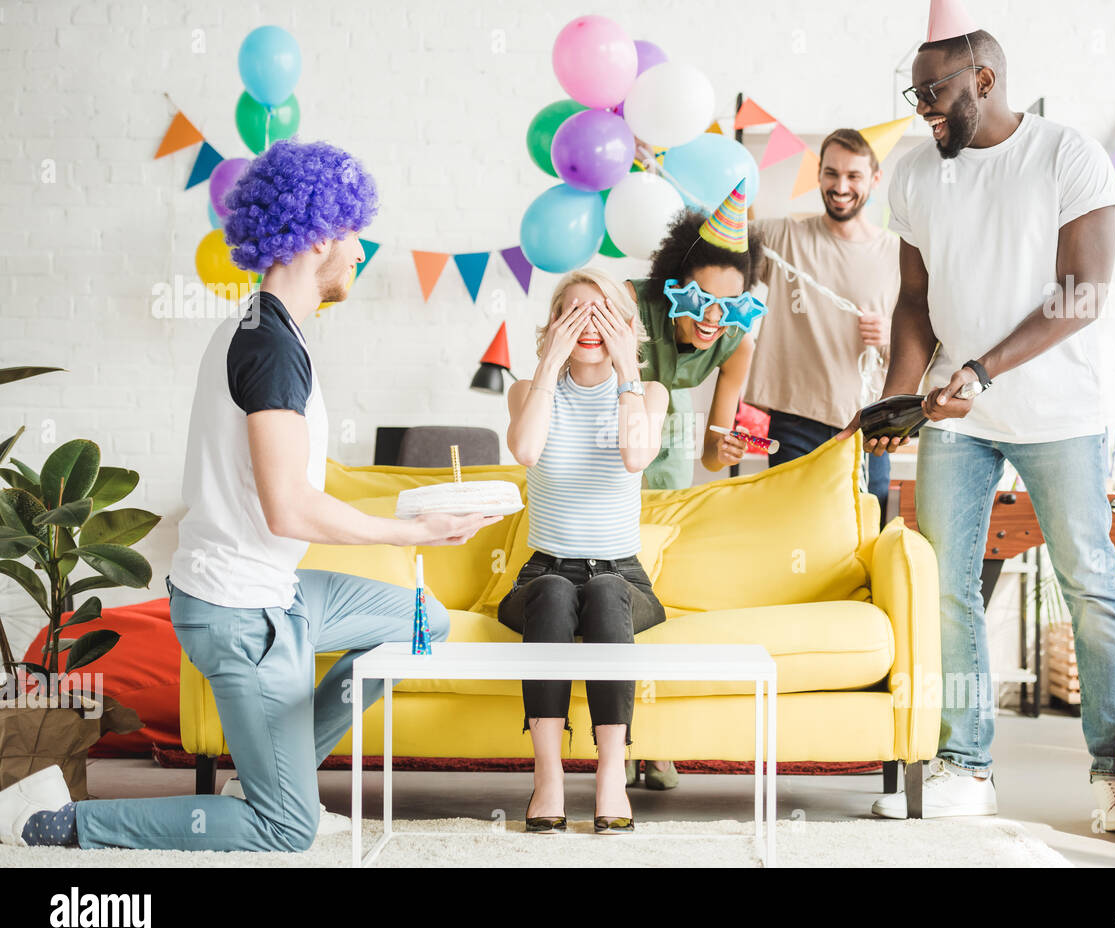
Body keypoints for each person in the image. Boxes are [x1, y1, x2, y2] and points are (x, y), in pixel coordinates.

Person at [0, 140, 502, 851]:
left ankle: (269, 775)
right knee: (286, 830)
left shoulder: (273, 332)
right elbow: (287, 507)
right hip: (240, 613)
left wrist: (405, 513)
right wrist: (409, 533)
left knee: (423, 620)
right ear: (320, 235)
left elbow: (284, 497)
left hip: (277, 590)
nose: (360, 253)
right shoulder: (267, 346)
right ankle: (52, 821)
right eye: (354, 236)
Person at [844, 11, 1115, 831]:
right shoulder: (912, 169)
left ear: (984, 79)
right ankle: (966, 766)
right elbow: (913, 299)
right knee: (947, 585)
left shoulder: (1065, 155)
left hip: (1059, 413)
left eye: (934, 92)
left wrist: (981, 369)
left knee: (1088, 584)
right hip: (955, 417)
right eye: (915, 93)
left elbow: (1082, 292)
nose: (923, 110)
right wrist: (903, 396)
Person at [500, 268, 669, 833]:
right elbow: (525, 448)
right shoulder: (528, 391)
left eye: (601, 313)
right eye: (573, 314)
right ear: (553, 325)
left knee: (603, 589)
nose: (587, 326)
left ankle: (610, 776)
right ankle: (547, 777)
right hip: (544, 571)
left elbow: (634, 456)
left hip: (620, 576)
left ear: (626, 326)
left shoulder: (648, 393)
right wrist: (549, 361)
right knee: (551, 589)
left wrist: (627, 369)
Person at [620, 180, 768, 790]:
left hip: (672, 466)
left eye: (729, 304)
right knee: (607, 596)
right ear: (672, 283)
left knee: (657, 605)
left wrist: (726, 446)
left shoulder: (736, 343)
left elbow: (711, 453)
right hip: (609, 449)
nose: (714, 318)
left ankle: (653, 740)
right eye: (701, 298)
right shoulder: (628, 304)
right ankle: (618, 735)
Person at [747, 128, 900, 525]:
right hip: (795, 421)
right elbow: (716, 243)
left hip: (870, 428)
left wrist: (891, 337)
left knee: (863, 539)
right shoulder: (782, 237)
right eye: (831, 174)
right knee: (790, 538)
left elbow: (930, 345)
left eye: (853, 176)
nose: (840, 186)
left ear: (875, 179)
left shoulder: (899, 255)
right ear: (818, 176)